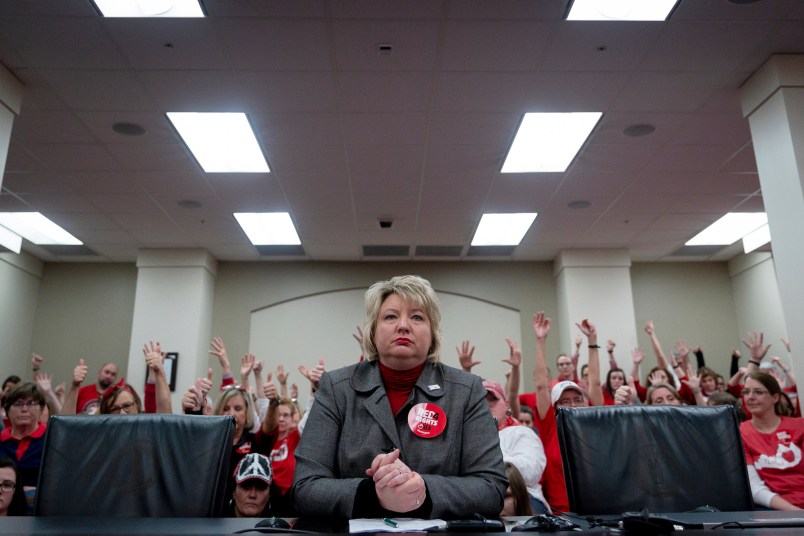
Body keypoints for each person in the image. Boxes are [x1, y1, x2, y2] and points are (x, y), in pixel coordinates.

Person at [292, 275, 507, 520]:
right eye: (390, 316)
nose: (403, 326)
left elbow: (491, 488)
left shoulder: (467, 390)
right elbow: (304, 488)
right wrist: (373, 494)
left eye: (417, 317)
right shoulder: (336, 388)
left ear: (433, 334)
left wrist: (423, 490)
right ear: (373, 332)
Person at [182, 373, 279, 504]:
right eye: (226, 408)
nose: (231, 414)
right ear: (218, 412)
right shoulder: (209, 442)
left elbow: (269, 430)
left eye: (238, 408)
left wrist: (273, 403)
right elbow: (194, 435)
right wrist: (192, 408)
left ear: (247, 413)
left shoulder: (256, 442)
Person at [739, 371, 804, 510]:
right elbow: (755, 488)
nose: (750, 397)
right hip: (775, 508)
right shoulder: (740, 432)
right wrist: (797, 513)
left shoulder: (799, 426)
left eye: (758, 392)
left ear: (775, 397)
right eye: (746, 392)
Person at [483, 379, 549, 514]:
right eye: (481, 400)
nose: (487, 405)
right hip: (475, 496)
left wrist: (486, 461)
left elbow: (531, 472)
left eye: (493, 399)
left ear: (506, 405)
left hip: (522, 494)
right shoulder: (465, 435)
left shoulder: (522, 432)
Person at [0, 383, 48, 512]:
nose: (25, 409)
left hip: (40, 512)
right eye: (18, 404)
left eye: (32, 403)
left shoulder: (51, 440)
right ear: (7, 410)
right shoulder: (1, 439)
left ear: (42, 409)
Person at [226, 453, 277, 517]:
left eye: (260, 488)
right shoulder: (214, 522)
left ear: (269, 495)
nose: (252, 495)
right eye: (246, 487)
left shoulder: (279, 526)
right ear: (233, 492)